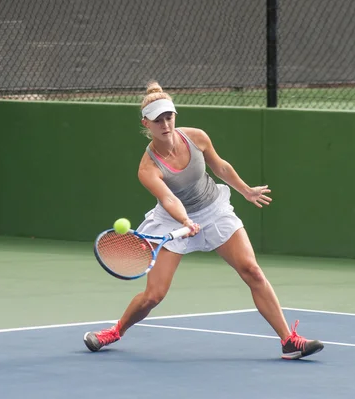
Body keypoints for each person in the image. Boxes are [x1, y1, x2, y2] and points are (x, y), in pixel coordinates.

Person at [83, 81, 324, 360]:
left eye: (168, 117)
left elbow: (219, 166)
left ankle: (289, 341)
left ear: (175, 115)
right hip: (172, 221)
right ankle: (115, 331)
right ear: (146, 124)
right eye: (157, 120)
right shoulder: (147, 167)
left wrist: (245, 190)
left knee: (253, 271)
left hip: (213, 210)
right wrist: (185, 221)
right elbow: (169, 199)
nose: (165, 124)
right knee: (154, 296)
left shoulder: (196, 137)